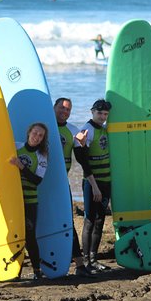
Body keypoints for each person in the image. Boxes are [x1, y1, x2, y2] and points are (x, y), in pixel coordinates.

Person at [54, 97, 96, 278]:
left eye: (68, 110)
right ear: (54, 107)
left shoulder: (72, 131)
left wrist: (83, 144)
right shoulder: (44, 125)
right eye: (62, 108)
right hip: (40, 182)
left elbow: (82, 160)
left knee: (67, 223)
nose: (65, 112)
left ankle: (79, 265)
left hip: (62, 183)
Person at [73, 99, 112, 272]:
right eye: (99, 113)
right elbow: (83, 161)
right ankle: (86, 261)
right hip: (92, 183)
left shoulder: (104, 129)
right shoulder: (85, 131)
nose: (102, 117)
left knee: (100, 220)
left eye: (105, 114)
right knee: (89, 220)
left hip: (106, 182)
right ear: (92, 112)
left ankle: (94, 259)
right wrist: (94, 186)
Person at [9, 122, 49, 280]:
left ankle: (36, 270)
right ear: (29, 132)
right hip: (12, 200)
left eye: (40, 136)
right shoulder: (15, 147)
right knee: (14, 235)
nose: (36, 137)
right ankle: (15, 271)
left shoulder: (42, 155)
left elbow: (37, 181)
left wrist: (21, 167)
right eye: (35, 133)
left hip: (30, 201)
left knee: (30, 235)